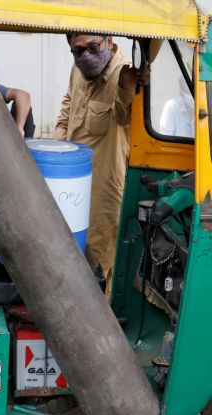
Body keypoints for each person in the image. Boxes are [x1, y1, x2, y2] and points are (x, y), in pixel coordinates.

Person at [54, 34, 150, 298]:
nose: (85, 56)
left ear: (108, 41)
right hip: (71, 182)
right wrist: (57, 150)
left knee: (102, 260)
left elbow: (122, 116)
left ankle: (102, 327)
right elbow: (67, 107)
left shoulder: (125, 74)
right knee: (71, 250)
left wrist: (126, 88)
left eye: (93, 47)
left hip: (103, 189)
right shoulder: (78, 69)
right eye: (77, 51)